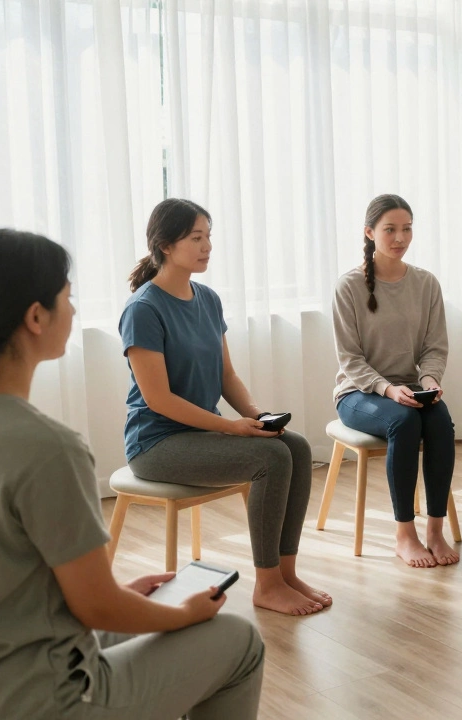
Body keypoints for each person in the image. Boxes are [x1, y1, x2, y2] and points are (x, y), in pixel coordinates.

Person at [0, 229, 264, 720]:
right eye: (67, 298)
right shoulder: (47, 447)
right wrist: (182, 612)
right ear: (35, 316)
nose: (73, 311)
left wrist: (122, 596)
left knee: (151, 621)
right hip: (38, 698)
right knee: (237, 639)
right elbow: (99, 610)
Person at [123, 198, 330, 615]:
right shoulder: (143, 309)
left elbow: (226, 376)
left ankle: (286, 573)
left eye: (209, 236)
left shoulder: (208, 299)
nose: (207, 246)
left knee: (297, 446)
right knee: (270, 458)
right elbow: (157, 399)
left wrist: (256, 416)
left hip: (200, 434)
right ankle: (267, 584)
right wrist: (229, 428)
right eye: (196, 238)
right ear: (165, 245)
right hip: (156, 444)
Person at [333, 194, 459, 569]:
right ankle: (405, 535)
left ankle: (435, 530)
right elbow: (350, 360)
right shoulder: (349, 286)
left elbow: (435, 347)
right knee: (402, 421)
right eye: (390, 229)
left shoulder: (426, 284)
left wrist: (430, 380)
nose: (400, 237)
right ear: (370, 232)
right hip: (359, 393)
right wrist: (388, 389)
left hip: (412, 388)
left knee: (439, 422)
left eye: (406, 229)